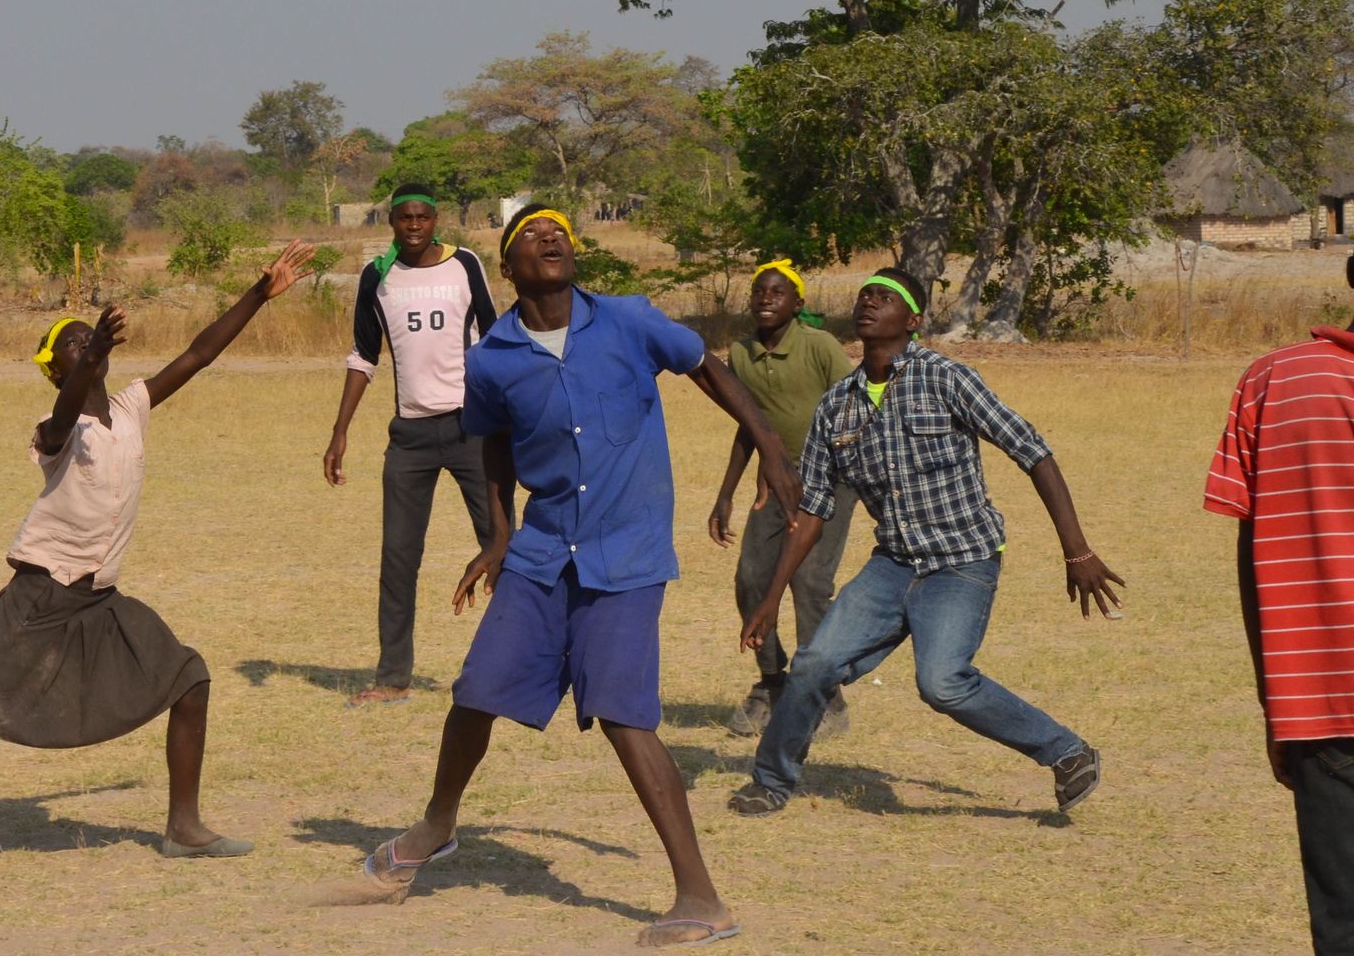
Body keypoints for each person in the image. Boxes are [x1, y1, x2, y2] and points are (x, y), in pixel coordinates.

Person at [351, 205, 802, 948]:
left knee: (625, 714)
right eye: (530, 234)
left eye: (558, 230)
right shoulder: (491, 357)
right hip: (542, 552)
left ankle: (700, 898)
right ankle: (437, 827)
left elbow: (707, 368)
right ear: (507, 268)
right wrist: (499, 536)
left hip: (626, 554)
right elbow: (492, 442)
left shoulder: (629, 320)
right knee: (475, 692)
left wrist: (771, 447)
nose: (550, 237)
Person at [0, 242, 320, 875]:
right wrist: (97, 352)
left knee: (190, 679)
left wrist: (259, 292)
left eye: (88, 338)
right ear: (56, 370)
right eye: (71, 345)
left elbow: (199, 354)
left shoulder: (130, 409)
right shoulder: (52, 426)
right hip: (42, 594)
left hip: (99, 596)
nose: (84, 345)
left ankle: (183, 826)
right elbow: (63, 420)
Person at [730, 268, 1122, 820]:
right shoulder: (836, 406)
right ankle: (770, 782)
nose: (868, 301)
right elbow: (814, 507)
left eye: (884, 297)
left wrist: (1076, 551)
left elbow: (1032, 450)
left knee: (942, 683)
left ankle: (1067, 753)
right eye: (864, 295)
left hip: (961, 563)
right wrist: (770, 598)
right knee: (814, 662)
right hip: (892, 564)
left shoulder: (947, 379)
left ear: (913, 320)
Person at [1205, 253, 1354, 955]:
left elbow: (1251, 550)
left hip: (1319, 692)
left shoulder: (1274, 380)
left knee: (1340, 914)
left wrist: (1276, 701)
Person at [323, 185, 498, 706]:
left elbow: (495, 337)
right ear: (392, 221)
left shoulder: (465, 264)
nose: (415, 225)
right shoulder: (378, 276)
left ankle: (528, 663)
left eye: (423, 216)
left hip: (473, 429)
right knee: (398, 558)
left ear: (435, 219)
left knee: (503, 545)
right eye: (405, 218)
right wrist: (340, 431)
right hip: (411, 437)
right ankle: (393, 677)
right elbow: (363, 354)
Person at [706, 260, 857, 738]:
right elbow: (748, 425)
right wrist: (727, 492)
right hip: (776, 482)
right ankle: (771, 683)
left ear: (798, 304)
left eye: (777, 292)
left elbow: (857, 409)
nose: (766, 299)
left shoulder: (820, 346)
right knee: (752, 578)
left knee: (810, 582)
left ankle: (823, 695)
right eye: (758, 291)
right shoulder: (743, 354)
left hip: (832, 478)